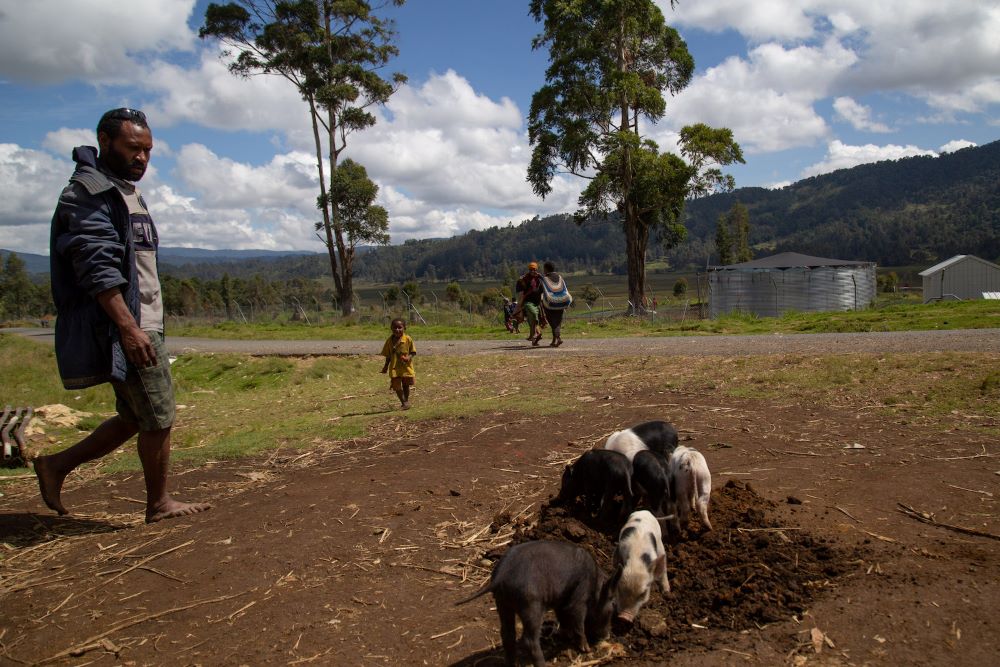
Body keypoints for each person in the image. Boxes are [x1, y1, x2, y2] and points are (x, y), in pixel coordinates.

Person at [34, 108, 211, 523]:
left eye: (148, 150)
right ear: (105, 140)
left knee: (135, 416)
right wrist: (129, 328)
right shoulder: (89, 193)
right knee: (159, 416)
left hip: (142, 322)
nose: (142, 158)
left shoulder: (124, 189)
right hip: (128, 327)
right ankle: (159, 503)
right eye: (133, 148)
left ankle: (55, 466)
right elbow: (97, 268)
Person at [381, 318, 417, 409]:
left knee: (405, 385)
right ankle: (403, 402)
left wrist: (408, 358)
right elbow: (388, 355)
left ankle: (406, 402)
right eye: (394, 328)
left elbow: (413, 352)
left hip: (405, 367)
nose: (397, 330)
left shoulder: (408, 339)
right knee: (396, 385)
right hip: (394, 368)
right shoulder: (389, 341)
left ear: (404, 328)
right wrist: (385, 366)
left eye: (399, 327)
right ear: (391, 328)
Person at [514, 261, 544, 345]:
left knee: (532, 320)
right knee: (534, 315)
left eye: (534, 269)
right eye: (531, 269)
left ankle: (534, 338)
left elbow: (543, 291)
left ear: (536, 270)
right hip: (528, 303)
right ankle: (535, 334)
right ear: (529, 270)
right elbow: (520, 290)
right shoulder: (524, 279)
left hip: (538, 303)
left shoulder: (540, 279)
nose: (532, 271)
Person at [541, 261, 569, 347]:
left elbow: (540, 290)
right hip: (561, 302)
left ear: (546, 269)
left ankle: (558, 338)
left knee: (553, 322)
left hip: (550, 304)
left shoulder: (544, 278)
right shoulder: (560, 277)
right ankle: (554, 340)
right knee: (558, 321)